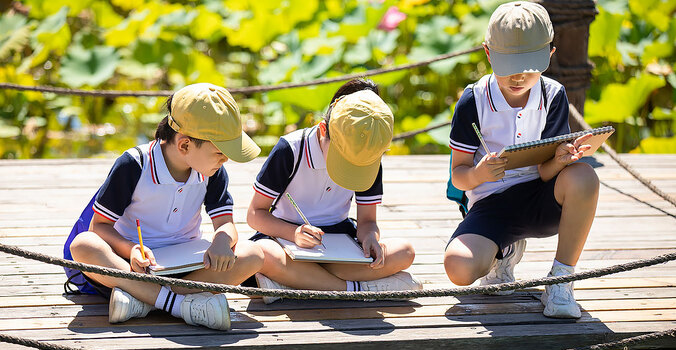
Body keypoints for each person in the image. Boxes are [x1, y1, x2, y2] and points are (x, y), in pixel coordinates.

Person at [443, 1, 599, 319]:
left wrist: (561, 158)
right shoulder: (474, 100)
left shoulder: (553, 94)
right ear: (488, 54)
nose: (519, 76)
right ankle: (504, 252)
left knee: (584, 176)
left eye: (530, 65)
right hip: (491, 203)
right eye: (508, 64)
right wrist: (479, 173)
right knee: (458, 268)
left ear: (550, 55)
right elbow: (458, 177)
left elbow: (546, 173)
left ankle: (561, 279)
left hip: (540, 196)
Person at [68, 83, 264, 329]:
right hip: (132, 267)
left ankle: (144, 300)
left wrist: (222, 242)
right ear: (184, 145)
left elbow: (225, 223)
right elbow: (100, 227)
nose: (225, 159)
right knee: (84, 245)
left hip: (188, 269)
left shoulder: (213, 171)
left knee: (253, 254)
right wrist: (131, 250)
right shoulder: (135, 164)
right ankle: (181, 305)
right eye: (220, 152)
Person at [246, 79, 421, 303]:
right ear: (323, 129)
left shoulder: (369, 154)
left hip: (341, 244)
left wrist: (370, 238)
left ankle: (292, 284)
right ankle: (358, 290)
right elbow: (254, 214)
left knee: (404, 251)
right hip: (285, 236)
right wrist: (294, 234)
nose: (351, 167)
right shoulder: (290, 150)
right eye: (343, 159)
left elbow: (368, 221)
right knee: (262, 253)